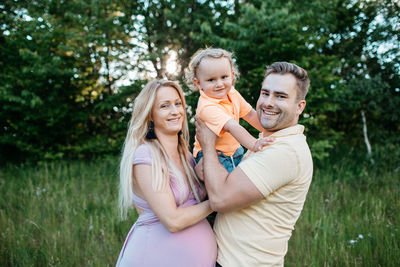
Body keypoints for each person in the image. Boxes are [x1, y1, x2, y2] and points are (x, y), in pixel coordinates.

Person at [195, 62, 313, 266]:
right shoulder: (269, 141)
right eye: (265, 93)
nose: (269, 102)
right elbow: (228, 182)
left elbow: (220, 199)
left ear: (299, 106)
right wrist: (208, 165)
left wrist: (207, 145)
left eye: (281, 96)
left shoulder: (284, 151)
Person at [116, 79, 217, 266]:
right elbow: (173, 220)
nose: (175, 111)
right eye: (164, 106)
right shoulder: (146, 155)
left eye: (178, 103)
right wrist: (218, 202)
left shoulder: (186, 156)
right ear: (150, 115)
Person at [185, 48, 273, 173]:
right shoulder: (206, 107)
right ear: (198, 83)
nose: (219, 84)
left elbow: (250, 114)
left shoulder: (232, 93)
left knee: (244, 183)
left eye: (224, 77)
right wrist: (255, 144)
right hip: (215, 156)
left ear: (231, 76)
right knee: (226, 189)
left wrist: (271, 132)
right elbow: (232, 127)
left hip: (235, 150)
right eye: (211, 80)